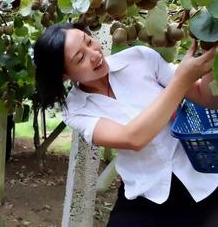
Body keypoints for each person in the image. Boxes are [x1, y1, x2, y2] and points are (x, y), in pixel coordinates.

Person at [33, 22, 218, 227]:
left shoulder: (140, 58)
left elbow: (207, 98)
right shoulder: (75, 109)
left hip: (203, 179)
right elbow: (133, 138)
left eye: (88, 42)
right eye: (80, 58)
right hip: (146, 194)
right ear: (65, 75)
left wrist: (211, 50)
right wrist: (182, 79)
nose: (94, 54)